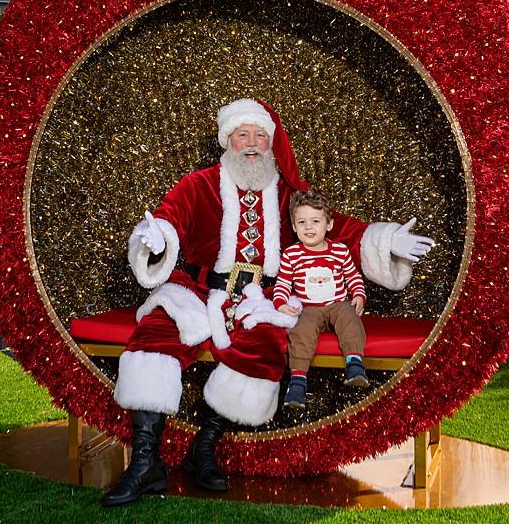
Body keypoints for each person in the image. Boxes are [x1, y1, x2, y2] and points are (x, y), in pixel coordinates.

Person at [101, 99, 435, 507]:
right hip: (202, 290)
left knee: (263, 348)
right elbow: (168, 216)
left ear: (271, 143)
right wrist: (157, 239)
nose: (253, 144)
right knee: (154, 334)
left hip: (264, 298)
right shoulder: (199, 184)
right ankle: (145, 464)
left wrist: (384, 242)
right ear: (228, 140)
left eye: (261, 135)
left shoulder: (287, 196)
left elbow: (339, 226)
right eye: (243, 134)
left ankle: (202, 448)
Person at [273, 187, 369, 410]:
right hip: (309, 309)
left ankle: (354, 363)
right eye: (302, 222)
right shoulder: (291, 255)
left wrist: (358, 295)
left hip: (338, 304)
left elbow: (353, 276)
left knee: (349, 317)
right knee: (301, 329)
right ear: (294, 227)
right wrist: (281, 303)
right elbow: (283, 284)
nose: (309, 227)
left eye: (315, 221)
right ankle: (297, 380)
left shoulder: (340, 251)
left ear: (329, 224)